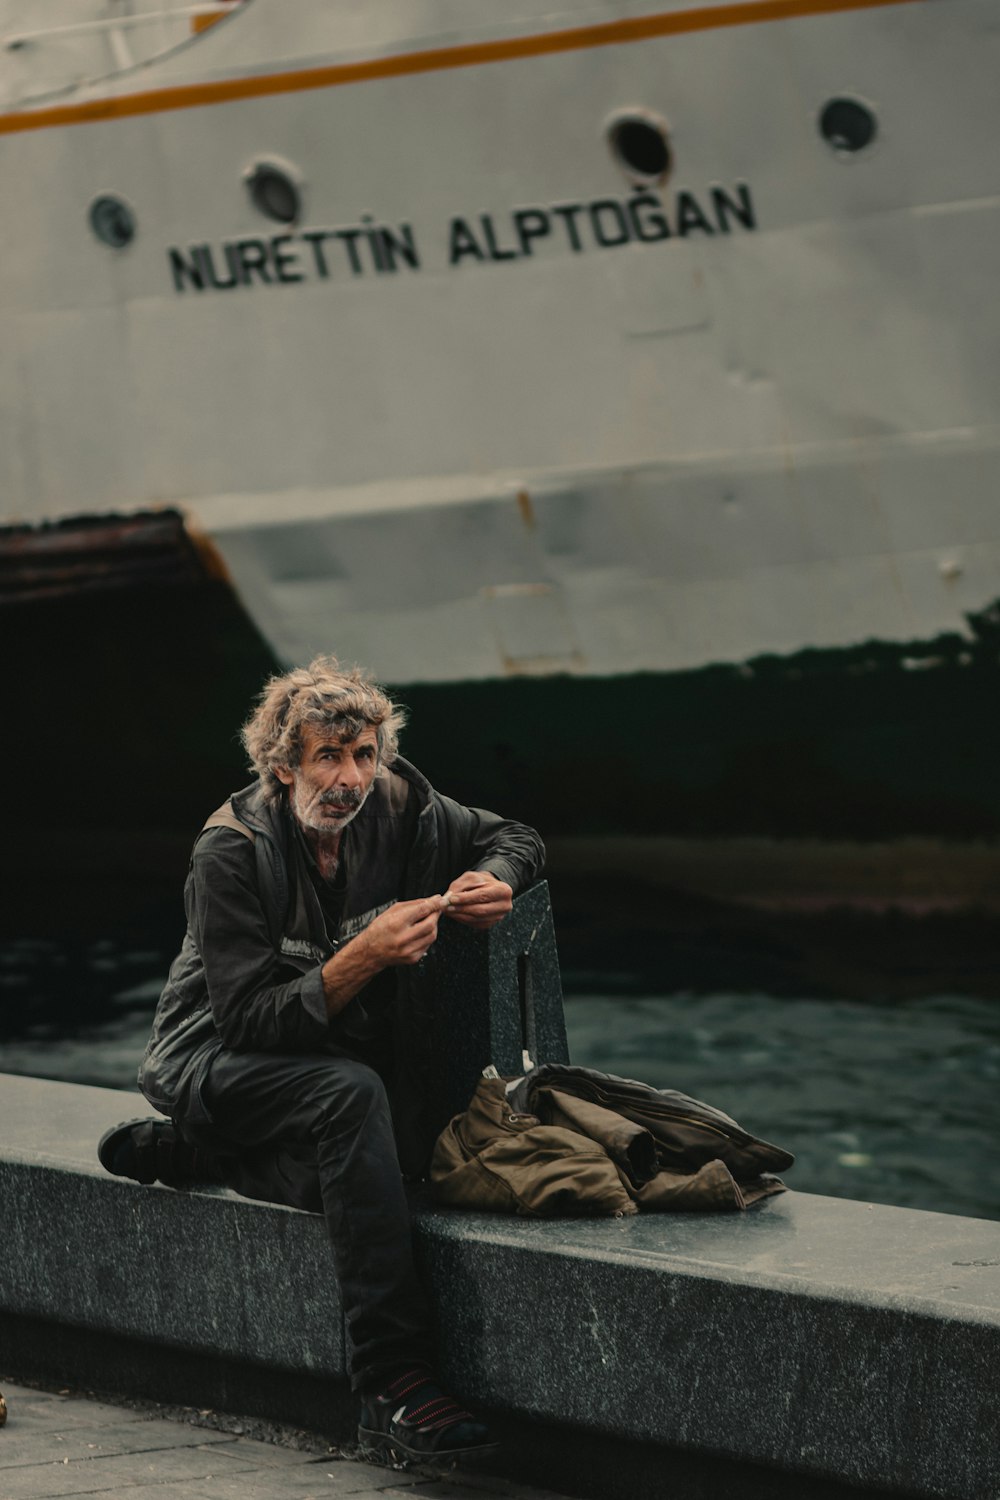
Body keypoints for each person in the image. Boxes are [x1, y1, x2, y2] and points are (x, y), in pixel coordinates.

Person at [98, 655, 544, 1461]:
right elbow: (251, 1022)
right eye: (326, 758)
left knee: (383, 1167)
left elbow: (516, 835)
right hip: (216, 1055)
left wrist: (493, 875)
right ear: (281, 765)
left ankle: (205, 1151)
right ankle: (394, 1382)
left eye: (364, 755)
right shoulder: (229, 850)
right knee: (349, 1097)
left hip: (319, 1054)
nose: (350, 779)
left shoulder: (401, 803)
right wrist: (365, 956)